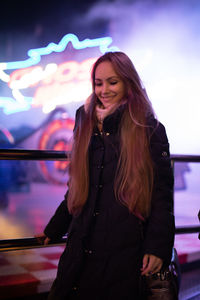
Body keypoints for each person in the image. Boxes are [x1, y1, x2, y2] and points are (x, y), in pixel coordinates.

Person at [39, 51, 175, 300]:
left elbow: (161, 193)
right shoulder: (85, 120)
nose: (104, 90)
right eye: (98, 83)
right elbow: (79, 183)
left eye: (113, 82)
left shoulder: (148, 128)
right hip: (82, 240)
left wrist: (157, 247)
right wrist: (57, 225)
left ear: (128, 82)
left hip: (124, 244)